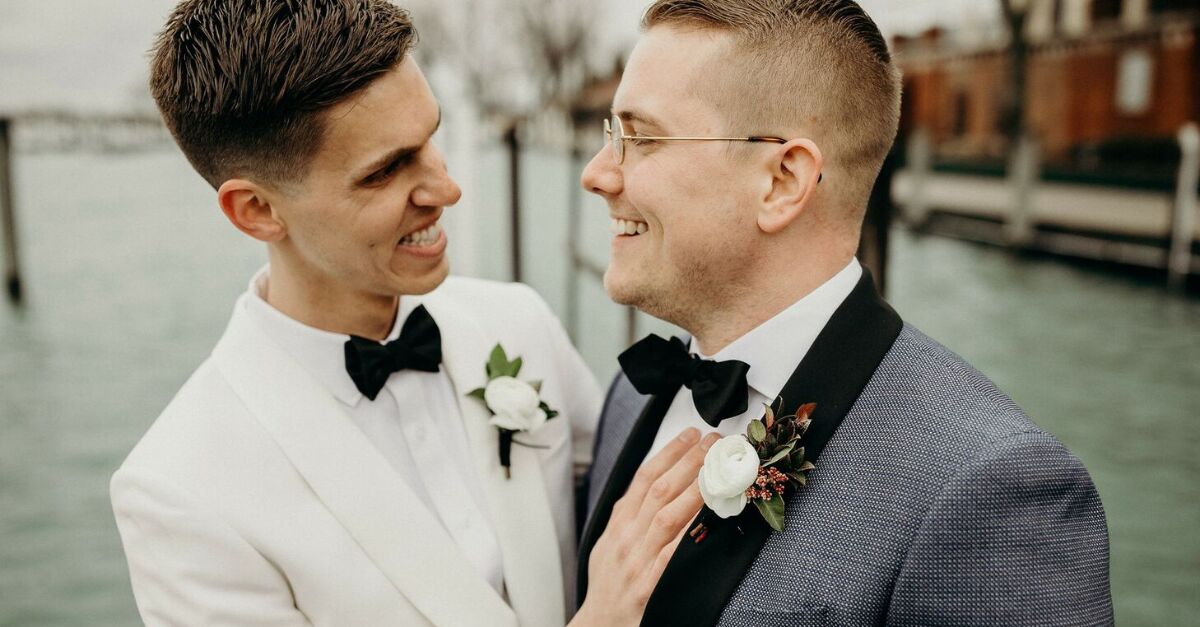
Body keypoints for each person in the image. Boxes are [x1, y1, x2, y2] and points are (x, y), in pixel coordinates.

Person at [111, 1, 706, 625]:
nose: (446, 190)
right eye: (386, 171)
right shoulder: (179, 494)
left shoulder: (517, 322)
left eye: (431, 139)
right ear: (256, 210)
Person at [577, 1, 1114, 625]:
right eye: (611, 133)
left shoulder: (988, 485)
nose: (597, 173)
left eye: (641, 137)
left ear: (782, 180)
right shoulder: (630, 394)